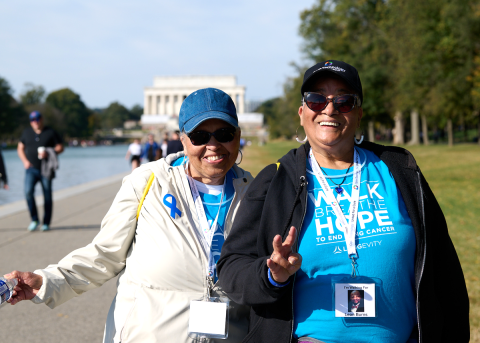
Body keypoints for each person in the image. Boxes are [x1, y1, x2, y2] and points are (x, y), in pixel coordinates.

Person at [218, 60, 469, 343]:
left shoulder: (400, 170)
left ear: (359, 113)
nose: (329, 109)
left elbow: (444, 271)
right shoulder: (276, 180)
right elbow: (231, 267)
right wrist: (272, 275)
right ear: (302, 113)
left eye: (344, 101)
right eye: (316, 100)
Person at [5, 88, 253, 343]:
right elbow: (103, 254)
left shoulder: (256, 194)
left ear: (238, 137)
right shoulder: (148, 182)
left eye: (224, 133)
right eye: (200, 135)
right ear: (183, 139)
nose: (213, 145)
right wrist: (46, 281)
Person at [17, 111, 63, 231]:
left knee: (47, 196)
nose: (35, 121)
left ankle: (46, 222)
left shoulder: (50, 132)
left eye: (37, 119)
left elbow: (60, 147)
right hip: (31, 169)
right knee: (28, 192)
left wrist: (50, 152)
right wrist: (25, 162)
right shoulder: (26, 132)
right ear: (30, 121)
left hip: (46, 169)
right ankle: (34, 219)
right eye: (32, 119)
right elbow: (20, 148)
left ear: (41, 119)